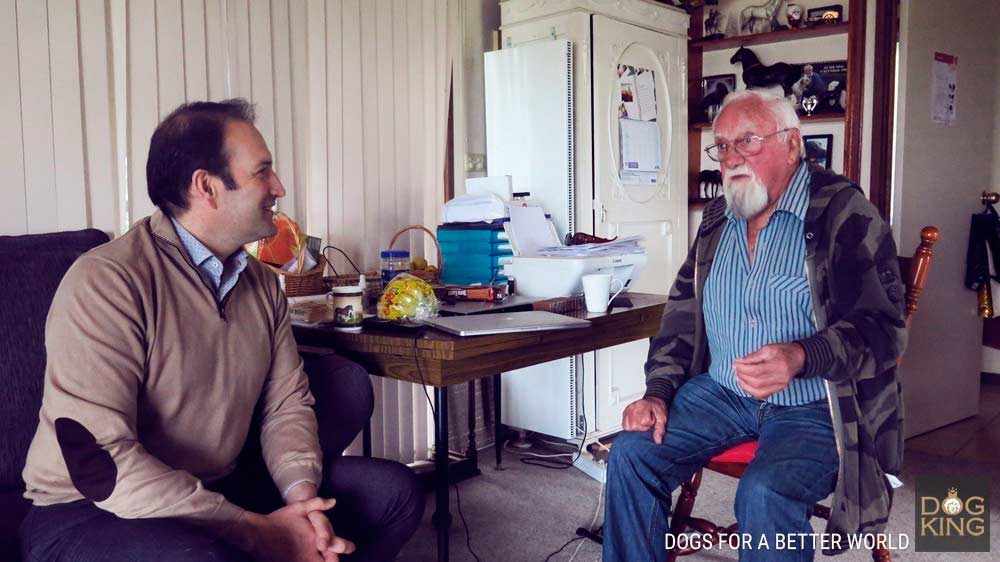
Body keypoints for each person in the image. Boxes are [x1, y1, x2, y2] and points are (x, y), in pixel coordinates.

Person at [20, 99, 424, 562]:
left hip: (218, 484)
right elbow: (100, 464)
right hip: (92, 508)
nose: (279, 187)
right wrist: (254, 532)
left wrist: (302, 505)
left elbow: (285, 405)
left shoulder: (261, 284)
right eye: (263, 172)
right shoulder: (107, 281)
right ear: (207, 187)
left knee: (395, 492)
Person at [603, 88, 906, 562]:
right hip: (722, 393)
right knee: (631, 452)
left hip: (816, 404)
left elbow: (884, 329)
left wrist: (802, 355)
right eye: (721, 146)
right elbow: (681, 315)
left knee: (763, 493)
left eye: (747, 141)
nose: (730, 158)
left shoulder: (842, 213)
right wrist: (658, 392)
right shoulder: (718, 219)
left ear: (791, 144)